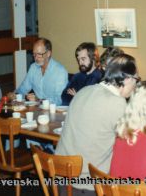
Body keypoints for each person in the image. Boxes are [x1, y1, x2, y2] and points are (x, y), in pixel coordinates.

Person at [56, 54, 139, 195]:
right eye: (136, 79)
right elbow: (134, 143)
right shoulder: (117, 103)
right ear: (127, 79)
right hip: (86, 187)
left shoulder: (84, 91)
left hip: (60, 179)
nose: (136, 85)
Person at [15, 38, 68, 105]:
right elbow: (23, 89)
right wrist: (15, 94)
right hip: (37, 109)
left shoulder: (60, 72)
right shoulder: (33, 68)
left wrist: (38, 100)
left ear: (48, 53)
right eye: (34, 54)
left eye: (39, 54)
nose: (36, 58)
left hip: (54, 111)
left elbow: (59, 100)